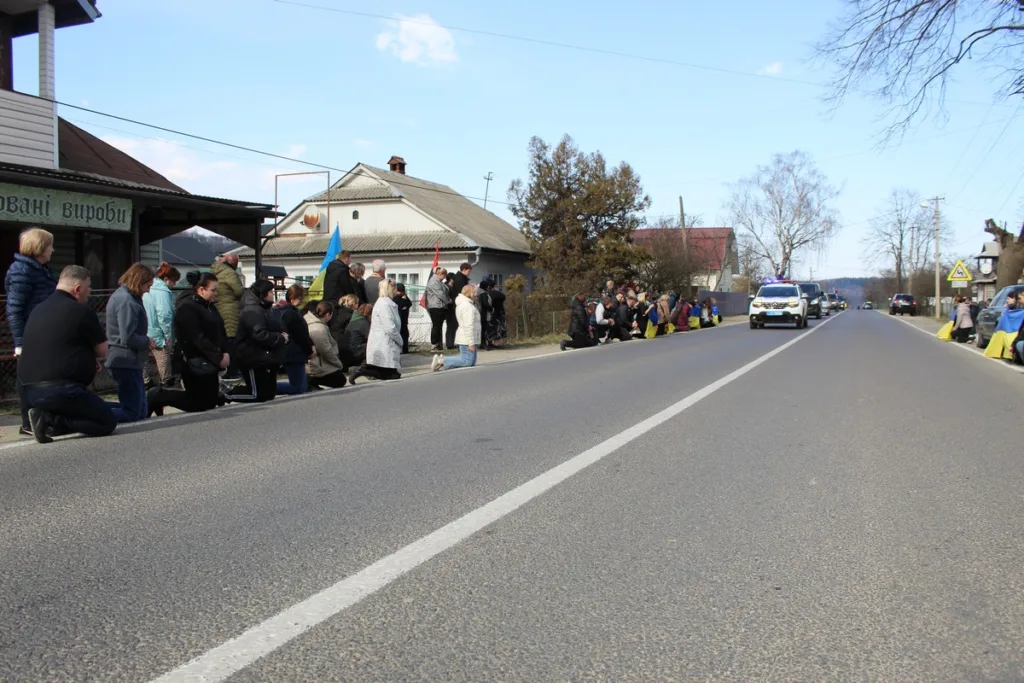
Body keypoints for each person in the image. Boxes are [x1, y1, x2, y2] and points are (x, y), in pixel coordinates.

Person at [20, 265, 116, 444]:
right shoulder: (81, 311)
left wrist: (86, 358)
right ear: (78, 289)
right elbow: (102, 350)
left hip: (30, 391)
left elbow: (58, 345)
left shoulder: (38, 310)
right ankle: (50, 420)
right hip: (62, 390)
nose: (90, 294)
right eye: (89, 289)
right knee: (106, 421)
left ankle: (48, 418)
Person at [146, 273, 231, 416]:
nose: (216, 294)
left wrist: (226, 351)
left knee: (209, 402)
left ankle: (214, 396)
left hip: (210, 361)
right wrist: (218, 357)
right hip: (194, 360)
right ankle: (160, 396)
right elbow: (197, 338)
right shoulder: (187, 308)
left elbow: (221, 331)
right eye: (213, 290)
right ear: (201, 289)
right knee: (199, 403)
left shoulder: (210, 308)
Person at [4, 227, 57, 437]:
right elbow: (14, 309)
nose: (53, 249)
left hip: (43, 332)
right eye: (50, 245)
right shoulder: (22, 270)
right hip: (30, 335)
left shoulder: (39, 268)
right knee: (27, 380)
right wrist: (20, 342)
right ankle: (28, 422)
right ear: (40, 247)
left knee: (44, 378)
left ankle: (42, 419)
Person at [105, 263, 156, 423]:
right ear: (138, 282)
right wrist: (147, 341)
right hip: (125, 360)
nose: (149, 290)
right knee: (132, 412)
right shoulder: (127, 301)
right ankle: (94, 412)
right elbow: (127, 337)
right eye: (147, 285)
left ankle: (97, 409)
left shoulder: (127, 297)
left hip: (128, 360)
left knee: (141, 411)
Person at [230, 280, 288, 402]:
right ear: (263, 294)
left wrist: (281, 336)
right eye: (271, 292)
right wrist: (280, 338)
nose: (273, 294)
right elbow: (260, 334)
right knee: (257, 395)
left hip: (266, 357)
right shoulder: (252, 310)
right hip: (252, 357)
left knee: (269, 394)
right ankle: (226, 395)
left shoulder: (265, 308)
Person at [351, 279, 403, 383]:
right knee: (392, 375)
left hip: (387, 341)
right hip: (385, 342)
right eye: (394, 288)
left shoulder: (387, 303)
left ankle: (365, 370)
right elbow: (389, 327)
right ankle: (364, 371)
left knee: (393, 373)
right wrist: (400, 340)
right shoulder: (384, 304)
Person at [143, 262, 180, 387]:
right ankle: (166, 381)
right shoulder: (162, 292)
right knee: (163, 357)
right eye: (174, 281)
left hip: (144, 328)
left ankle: (145, 381)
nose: (175, 284)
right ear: (166, 279)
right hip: (157, 330)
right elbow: (164, 315)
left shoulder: (148, 287)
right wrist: (167, 334)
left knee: (142, 359)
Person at [276, 284, 313, 395]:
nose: (302, 301)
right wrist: (309, 350)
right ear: (292, 298)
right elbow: (300, 335)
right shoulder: (291, 314)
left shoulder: (282, 312)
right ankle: (268, 388)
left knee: (301, 386)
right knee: (298, 387)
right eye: (300, 298)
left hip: (290, 352)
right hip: (294, 352)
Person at [433, 284, 481, 371]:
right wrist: (471, 342)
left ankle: (444, 362)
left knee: (470, 362)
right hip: (466, 338)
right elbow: (468, 325)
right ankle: (441, 361)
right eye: (475, 292)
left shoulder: (466, 305)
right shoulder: (467, 307)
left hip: (467, 337)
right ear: (471, 293)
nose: (477, 294)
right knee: (467, 361)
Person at [211, 254, 243, 378]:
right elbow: (239, 291)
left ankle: (223, 369)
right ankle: (232, 371)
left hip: (218, 308)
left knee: (222, 340)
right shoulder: (230, 273)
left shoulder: (214, 271)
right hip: (230, 310)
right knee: (232, 342)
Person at [304, 301, 348, 389]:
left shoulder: (309, 322)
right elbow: (326, 351)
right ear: (328, 315)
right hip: (317, 364)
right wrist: (338, 364)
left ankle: (312, 382)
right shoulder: (319, 329)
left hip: (315, 362)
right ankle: (311, 380)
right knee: (340, 380)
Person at [445, 262, 472, 349]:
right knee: (453, 325)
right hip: (455, 305)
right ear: (464, 269)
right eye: (468, 271)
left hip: (455, 304)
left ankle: (451, 343)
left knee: (454, 325)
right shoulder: (460, 279)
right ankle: (450, 343)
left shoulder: (460, 278)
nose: (469, 272)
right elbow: (462, 292)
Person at [425, 267, 450, 352]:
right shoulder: (434, 282)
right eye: (444, 275)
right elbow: (441, 294)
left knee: (439, 326)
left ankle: (438, 345)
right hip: (435, 306)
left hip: (440, 306)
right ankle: (434, 344)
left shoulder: (439, 282)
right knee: (436, 326)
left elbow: (445, 289)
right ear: (440, 274)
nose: (445, 277)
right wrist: (448, 301)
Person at [343, 303, 372, 370]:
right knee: (374, 346)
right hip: (355, 351)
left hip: (346, 351)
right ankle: (365, 367)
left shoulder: (353, 320)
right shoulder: (363, 322)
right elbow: (371, 338)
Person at [486, 280, 507, 348]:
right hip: (500, 312)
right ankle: (498, 344)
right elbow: (504, 297)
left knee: (490, 328)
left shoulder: (487, 294)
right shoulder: (499, 294)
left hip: (491, 313)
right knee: (499, 328)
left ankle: (489, 343)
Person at [393, 281, 412, 354]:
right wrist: (404, 303)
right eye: (399, 291)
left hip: (404, 320)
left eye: (402, 291)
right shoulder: (395, 297)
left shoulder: (404, 296)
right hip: (398, 320)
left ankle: (405, 349)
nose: (400, 293)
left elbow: (409, 304)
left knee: (405, 334)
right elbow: (399, 305)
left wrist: (405, 303)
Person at [477, 279, 494, 349]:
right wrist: (491, 309)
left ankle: (482, 343)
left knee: (482, 329)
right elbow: (485, 304)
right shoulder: (483, 293)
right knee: (483, 329)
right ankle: (483, 344)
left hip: (479, 312)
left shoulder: (478, 292)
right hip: (483, 313)